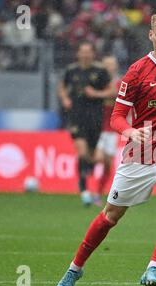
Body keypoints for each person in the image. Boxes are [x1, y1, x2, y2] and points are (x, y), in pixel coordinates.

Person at [56, 8, 156, 286]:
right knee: (110, 217)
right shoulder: (136, 72)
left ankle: (153, 267)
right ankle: (75, 268)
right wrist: (130, 131)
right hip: (139, 156)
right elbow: (116, 116)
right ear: (151, 35)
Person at [58, 41, 115, 207]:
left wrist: (96, 93)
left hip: (95, 119)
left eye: (88, 52)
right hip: (76, 117)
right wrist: (65, 99)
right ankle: (83, 189)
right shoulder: (71, 70)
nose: (85, 55)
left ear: (92, 53)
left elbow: (112, 91)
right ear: (78, 54)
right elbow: (61, 86)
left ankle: (87, 178)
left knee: (92, 157)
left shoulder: (100, 71)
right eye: (82, 52)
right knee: (82, 152)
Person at [92, 55, 121, 206]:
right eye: (107, 65)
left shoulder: (120, 83)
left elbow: (116, 94)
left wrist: (97, 95)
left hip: (111, 129)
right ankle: (86, 184)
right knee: (97, 158)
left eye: (112, 64)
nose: (109, 67)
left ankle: (97, 193)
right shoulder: (97, 82)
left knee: (108, 166)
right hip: (97, 127)